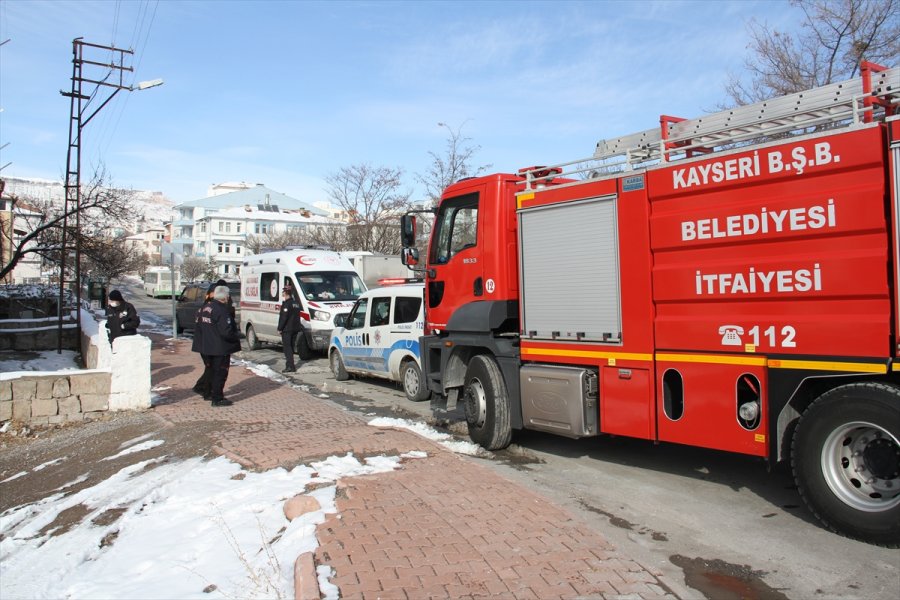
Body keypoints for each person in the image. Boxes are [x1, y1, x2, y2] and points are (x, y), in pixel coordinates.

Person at [196, 285, 241, 407]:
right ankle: (217, 398)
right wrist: (235, 338)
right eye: (228, 296)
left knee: (211, 371)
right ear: (225, 297)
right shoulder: (221, 310)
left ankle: (208, 393)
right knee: (220, 373)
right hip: (220, 347)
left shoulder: (206, 308)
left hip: (207, 346)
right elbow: (226, 331)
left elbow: (200, 327)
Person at [190, 283, 217, 400]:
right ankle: (205, 390)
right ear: (210, 294)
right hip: (207, 344)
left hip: (205, 343)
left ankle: (201, 386)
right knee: (211, 368)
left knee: (210, 368)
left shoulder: (205, 308)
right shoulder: (208, 308)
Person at [277, 286, 302, 373]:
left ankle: (290, 366)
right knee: (291, 347)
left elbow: (284, 317)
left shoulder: (286, 304)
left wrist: (280, 328)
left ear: (286, 293)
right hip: (295, 328)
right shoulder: (296, 303)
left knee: (287, 349)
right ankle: (291, 365)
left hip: (287, 329)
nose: (282, 293)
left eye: (283, 292)